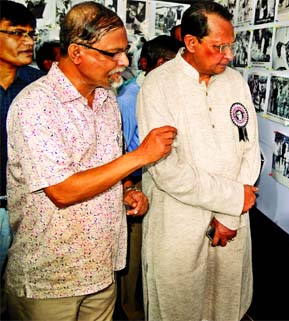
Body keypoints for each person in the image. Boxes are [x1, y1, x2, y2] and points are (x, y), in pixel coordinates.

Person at [4, 2, 177, 320]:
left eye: (125, 51)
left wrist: (127, 189)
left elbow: (108, 163)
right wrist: (139, 156)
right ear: (76, 52)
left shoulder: (106, 98)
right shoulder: (34, 105)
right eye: (112, 53)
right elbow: (62, 191)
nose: (124, 62)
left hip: (101, 269)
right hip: (51, 279)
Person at [136, 1, 261, 320]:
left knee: (226, 305)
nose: (228, 55)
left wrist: (229, 216)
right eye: (219, 46)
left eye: (231, 46)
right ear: (191, 42)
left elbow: (250, 151)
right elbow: (166, 169)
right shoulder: (158, 84)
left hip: (231, 224)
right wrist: (231, 198)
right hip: (179, 223)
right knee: (178, 307)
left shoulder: (235, 83)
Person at [115, 34, 181, 320]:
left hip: (158, 180)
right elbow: (121, 148)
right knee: (133, 252)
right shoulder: (130, 97)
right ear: (146, 63)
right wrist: (128, 188)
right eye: (165, 63)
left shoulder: (167, 92)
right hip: (135, 181)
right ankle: (130, 309)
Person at [0, 0, 45, 274]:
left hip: (28, 209)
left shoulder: (40, 86)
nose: (28, 42)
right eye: (17, 33)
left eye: (31, 34)